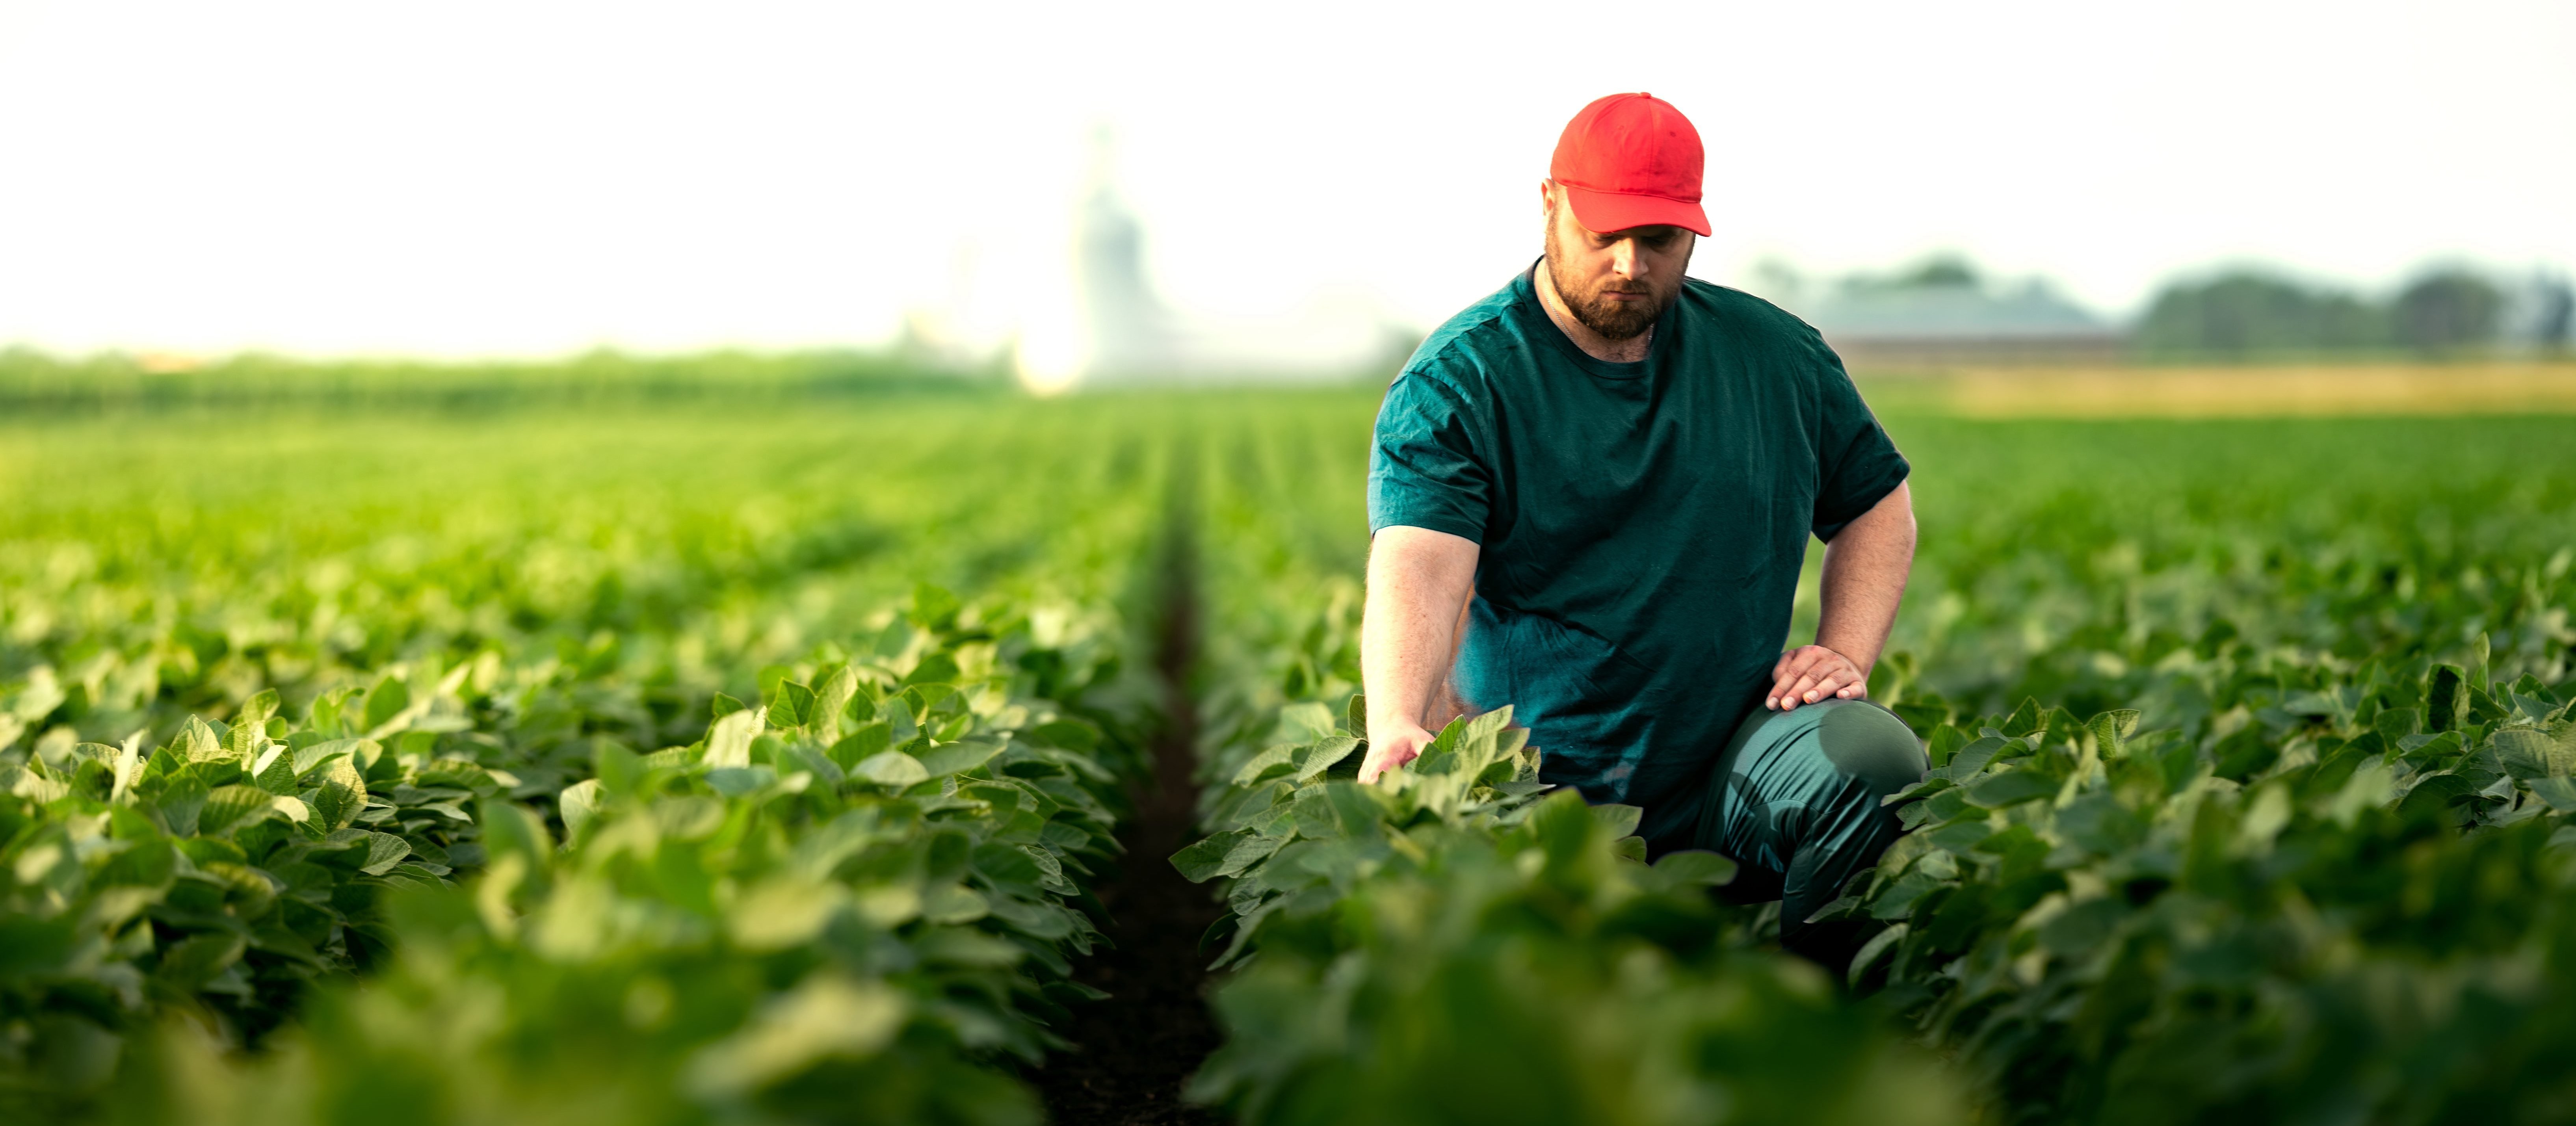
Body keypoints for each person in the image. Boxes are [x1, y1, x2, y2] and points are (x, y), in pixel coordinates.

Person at [1357, 92, 1923, 964]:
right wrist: (1399, 717)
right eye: (1603, 234)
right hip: (1536, 784)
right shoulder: (1462, 380)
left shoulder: (1774, 358)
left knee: (1869, 756)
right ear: (1549, 203)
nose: (1629, 264)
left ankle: (1803, 1008)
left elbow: (1878, 503)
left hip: (1732, 761)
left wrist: (1842, 648)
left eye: (1658, 241)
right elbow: (1420, 566)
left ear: (1692, 233)